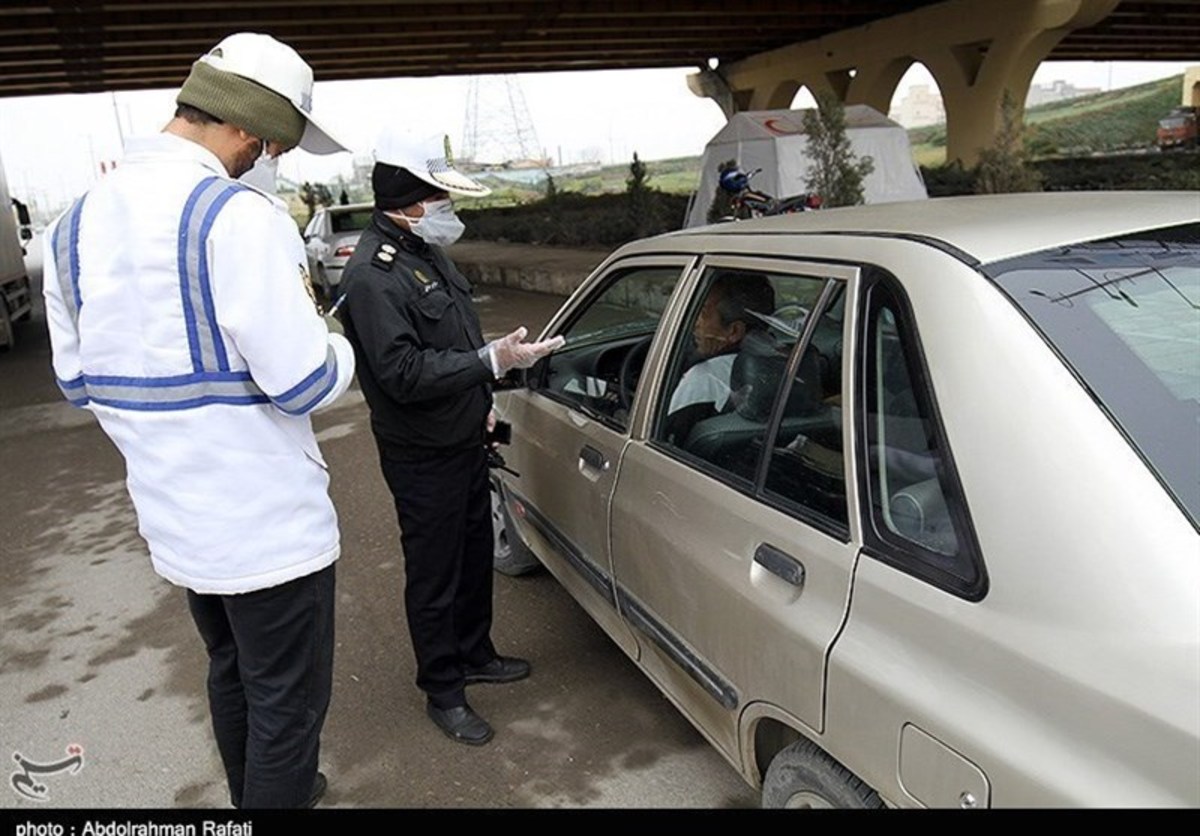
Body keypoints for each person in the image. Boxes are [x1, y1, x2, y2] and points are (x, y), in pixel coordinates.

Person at [41, 32, 355, 809]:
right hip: (270, 531)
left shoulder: (70, 227)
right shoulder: (236, 217)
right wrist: (339, 345)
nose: (274, 153)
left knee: (231, 672)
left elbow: (77, 384)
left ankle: (259, 794)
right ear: (246, 125)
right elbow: (305, 382)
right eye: (277, 138)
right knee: (288, 703)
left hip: (177, 523)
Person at [337, 128, 563, 746]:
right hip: (422, 453)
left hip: (463, 435)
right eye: (439, 198)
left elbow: (455, 341)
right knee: (435, 573)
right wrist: (492, 362)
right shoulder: (373, 276)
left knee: (471, 557)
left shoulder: (425, 252)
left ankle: (475, 653)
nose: (448, 210)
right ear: (408, 203)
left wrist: (482, 399)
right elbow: (403, 373)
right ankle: (443, 688)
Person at [666, 270, 776, 438]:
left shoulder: (704, 379)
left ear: (734, 331)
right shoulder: (787, 365)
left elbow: (665, 437)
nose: (694, 323)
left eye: (702, 313)